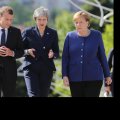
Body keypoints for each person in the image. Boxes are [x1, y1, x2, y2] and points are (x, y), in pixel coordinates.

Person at [62, 11, 112, 97]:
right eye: (76, 22)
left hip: (94, 78)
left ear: (87, 23)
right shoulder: (69, 36)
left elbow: (102, 57)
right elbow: (65, 58)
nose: (78, 24)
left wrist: (107, 75)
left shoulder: (97, 35)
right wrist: (65, 75)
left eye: (81, 22)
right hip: (75, 78)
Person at [22, 6, 59, 97]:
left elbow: (56, 52)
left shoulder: (53, 33)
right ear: (35, 19)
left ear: (47, 20)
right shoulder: (27, 32)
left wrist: (52, 54)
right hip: (31, 68)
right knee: (33, 95)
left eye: (44, 19)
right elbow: (19, 50)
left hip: (46, 69)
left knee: (44, 95)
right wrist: (27, 51)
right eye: (39, 19)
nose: (42, 22)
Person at [0, 6, 24, 97]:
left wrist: (12, 53)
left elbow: (21, 51)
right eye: (7, 19)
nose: (9, 22)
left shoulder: (16, 32)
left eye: (11, 20)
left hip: (10, 72)